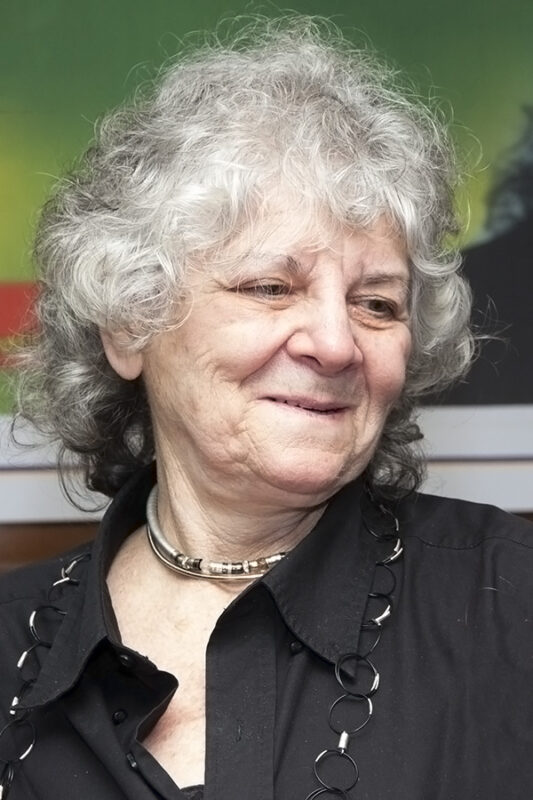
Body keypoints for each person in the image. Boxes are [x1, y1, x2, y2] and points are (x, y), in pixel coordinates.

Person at [1, 16, 532, 800]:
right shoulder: (12, 640)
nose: (336, 343)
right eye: (270, 287)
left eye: (376, 303)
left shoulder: (509, 603)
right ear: (129, 325)